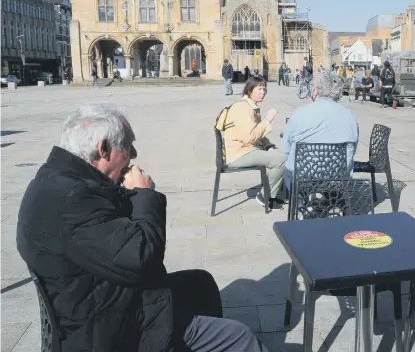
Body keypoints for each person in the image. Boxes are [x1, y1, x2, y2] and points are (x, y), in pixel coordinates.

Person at [17, 103, 269, 352]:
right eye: (127, 145)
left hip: (92, 299)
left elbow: (106, 235)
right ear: (103, 149)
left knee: (200, 284)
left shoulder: (57, 177)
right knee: (239, 337)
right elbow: (143, 257)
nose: (134, 154)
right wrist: (143, 194)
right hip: (107, 328)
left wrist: (123, 193)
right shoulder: (74, 200)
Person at [282, 70, 359, 189]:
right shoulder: (350, 116)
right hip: (337, 177)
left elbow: (286, 148)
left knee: (288, 172)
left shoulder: (300, 113)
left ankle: (301, 205)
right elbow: (353, 148)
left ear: (316, 89)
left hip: (303, 176)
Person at [224, 77, 287, 211]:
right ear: (249, 90)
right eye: (259, 89)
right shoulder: (242, 107)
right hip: (238, 153)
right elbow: (251, 136)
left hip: (246, 149)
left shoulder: (250, 107)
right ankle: (265, 196)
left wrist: (268, 146)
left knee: (280, 157)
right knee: (281, 161)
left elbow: (258, 135)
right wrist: (268, 119)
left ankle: (271, 195)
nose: (263, 92)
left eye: (264, 89)